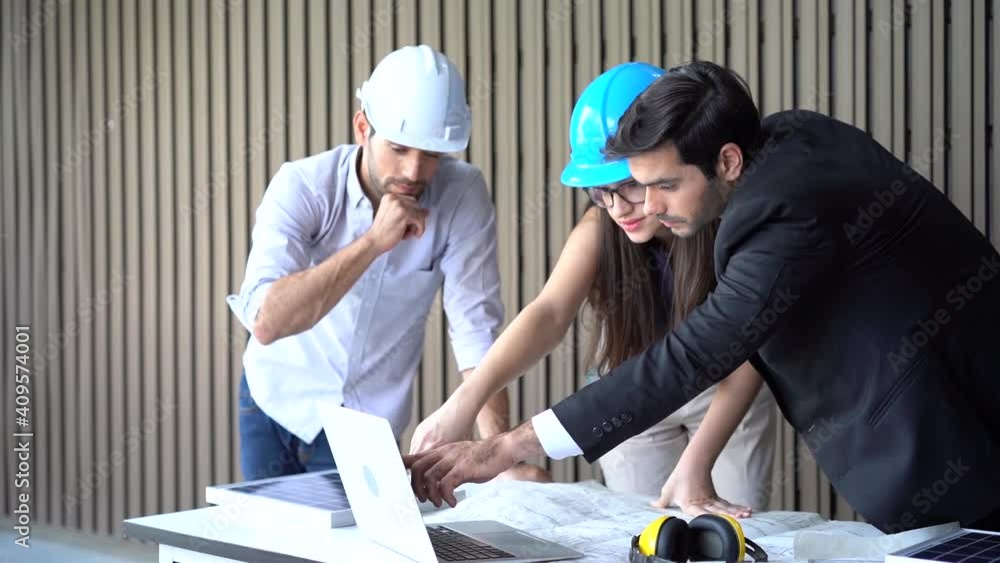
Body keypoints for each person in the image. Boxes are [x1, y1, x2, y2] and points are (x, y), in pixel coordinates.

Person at [404, 59, 1000, 533]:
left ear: (728, 160)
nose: (645, 207)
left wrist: (508, 445)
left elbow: (697, 353)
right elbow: (552, 312)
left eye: (663, 185)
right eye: (634, 187)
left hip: (955, 433)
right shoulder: (787, 139)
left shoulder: (778, 216)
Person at [408, 63, 775, 516]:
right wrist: (462, 404)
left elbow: (747, 352)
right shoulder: (600, 225)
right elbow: (548, 314)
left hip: (725, 391)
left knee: (728, 527)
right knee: (641, 527)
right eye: (601, 192)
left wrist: (696, 464)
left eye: (630, 185)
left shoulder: (731, 225)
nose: (618, 208)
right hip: (634, 393)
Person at [227, 45, 548, 483]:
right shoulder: (303, 186)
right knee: (268, 529)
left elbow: (476, 330)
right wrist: (374, 243)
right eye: (398, 148)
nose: (415, 171)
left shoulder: (462, 196)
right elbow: (267, 322)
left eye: (432, 154)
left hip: (366, 423)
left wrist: (497, 458)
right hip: (274, 401)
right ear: (363, 128)